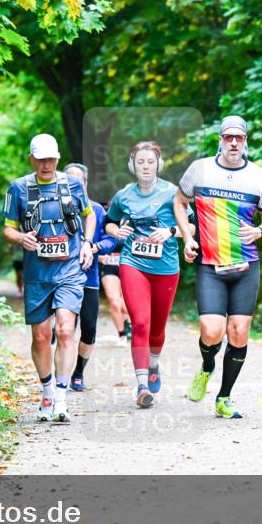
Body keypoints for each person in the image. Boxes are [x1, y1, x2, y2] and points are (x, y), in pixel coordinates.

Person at [173, 115, 262, 419]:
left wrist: (260, 231)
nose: (233, 142)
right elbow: (180, 203)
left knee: (239, 332)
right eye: (228, 137)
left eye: (239, 138)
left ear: (245, 142)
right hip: (210, 264)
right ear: (220, 139)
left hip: (246, 265)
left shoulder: (258, 176)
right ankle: (206, 367)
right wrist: (188, 238)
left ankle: (224, 397)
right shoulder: (200, 169)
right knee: (211, 330)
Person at [3, 134, 95, 423]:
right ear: (31, 159)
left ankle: (61, 397)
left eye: (51, 159)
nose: (47, 164)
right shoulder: (18, 188)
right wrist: (21, 238)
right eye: (41, 159)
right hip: (37, 273)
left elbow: (89, 215)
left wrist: (87, 243)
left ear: (58, 158)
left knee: (66, 331)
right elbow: (8, 229)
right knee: (41, 336)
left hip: (69, 269)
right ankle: (46, 392)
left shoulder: (73, 184)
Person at [104, 141, 182, 408]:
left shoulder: (174, 193)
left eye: (150, 162)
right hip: (133, 262)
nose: (145, 166)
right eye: (140, 162)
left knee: (158, 328)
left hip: (166, 267)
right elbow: (109, 222)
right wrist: (117, 232)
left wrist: (171, 232)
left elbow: (191, 226)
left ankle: (153, 364)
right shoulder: (124, 195)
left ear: (158, 164)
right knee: (140, 323)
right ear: (132, 165)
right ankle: (141, 386)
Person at [63, 163, 118, 392]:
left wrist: (95, 248)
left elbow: (111, 240)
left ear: (85, 184)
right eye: (69, 180)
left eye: (78, 181)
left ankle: (78, 373)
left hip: (89, 279)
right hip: (62, 279)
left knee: (88, 329)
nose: (74, 185)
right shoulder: (54, 207)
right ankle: (60, 376)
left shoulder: (96, 210)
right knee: (64, 328)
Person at [98, 196, 131, 346]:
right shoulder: (103, 222)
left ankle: (130, 326)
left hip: (128, 265)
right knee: (113, 300)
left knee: (126, 304)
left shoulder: (131, 221)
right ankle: (122, 334)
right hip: (109, 264)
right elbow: (93, 241)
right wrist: (98, 255)